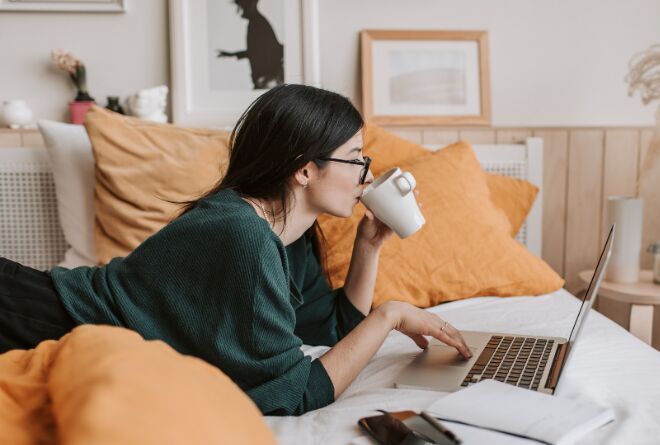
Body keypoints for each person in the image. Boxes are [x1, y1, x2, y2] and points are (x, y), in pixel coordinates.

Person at [0, 84, 472, 416]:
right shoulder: (242, 236)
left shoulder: (290, 233)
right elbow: (298, 394)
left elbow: (329, 332)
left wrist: (369, 248)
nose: (366, 175)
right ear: (304, 170)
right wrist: (388, 315)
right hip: (38, 318)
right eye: (356, 158)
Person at [217, 0, 284, 89]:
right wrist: (232, 54)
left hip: (267, 80)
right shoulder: (257, 23)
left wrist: (268, 77)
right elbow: (255, 51)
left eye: (241, 6)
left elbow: (275, 50)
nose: (238, 11)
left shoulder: (258, 23)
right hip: (265, 79)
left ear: (250, 5)